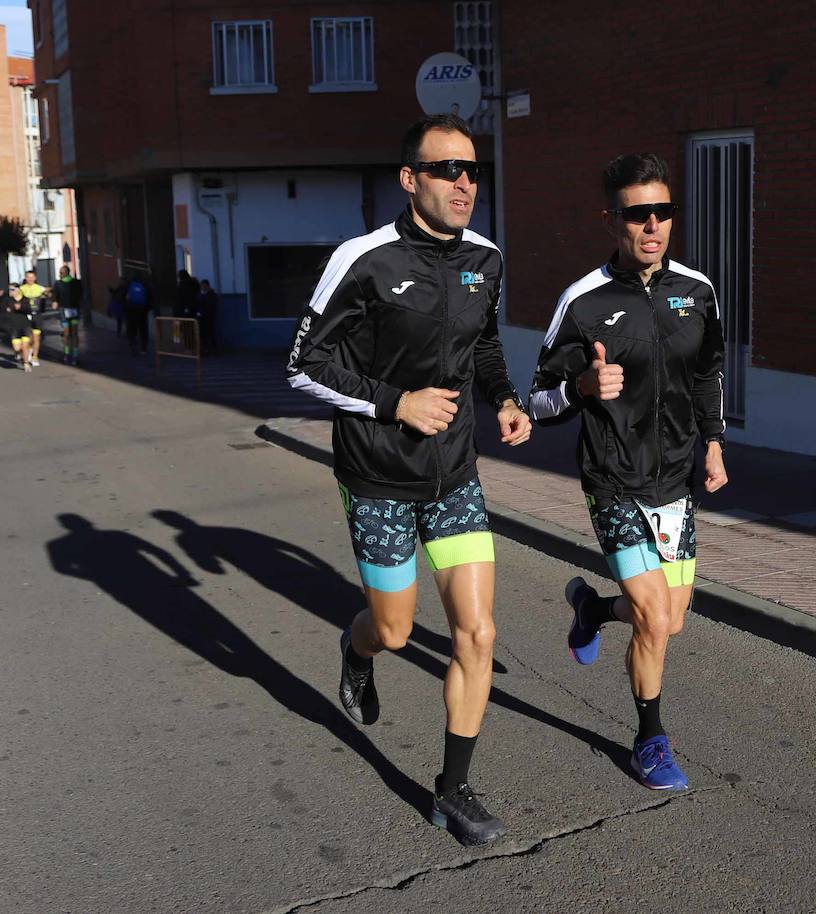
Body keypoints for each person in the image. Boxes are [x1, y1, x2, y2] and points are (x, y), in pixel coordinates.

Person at [286, 113, 531, 846]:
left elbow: (483, 346)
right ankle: (356, 652)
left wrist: (507, 398)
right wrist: (397, 403)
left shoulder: (485, 258)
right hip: (377, 473)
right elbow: (302, 366)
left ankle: (452, 790)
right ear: (409, 179)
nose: (464, 183)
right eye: (446, 170)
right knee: (393, 630)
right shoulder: (361, 259)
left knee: (477, 632)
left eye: (472, 171)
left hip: (454, 473)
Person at [529, 153, 728, 792]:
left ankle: (589, 608)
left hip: (676, 483)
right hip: (613, 477)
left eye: (662, 212)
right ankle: (650, 739)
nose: (652, 226)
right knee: (651, 617)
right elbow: (535, 398)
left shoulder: (697, 292)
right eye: (637, 214)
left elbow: (707, 374)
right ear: (611, 219)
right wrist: (582, 387)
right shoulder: (582, 302)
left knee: (672, 618)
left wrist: (715, 443)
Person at [52, 265, 84, 365]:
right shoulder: (58, 283)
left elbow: (81, 294)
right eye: (60, 272)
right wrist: (54, 302)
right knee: (66, 333)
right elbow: (55, 296)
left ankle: (75, 355)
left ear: (67, 272)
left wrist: (80, 303)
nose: (60, 274)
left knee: (74, 333)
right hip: (63, 310)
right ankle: (66, 354)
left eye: (62, 272)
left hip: (74, 309)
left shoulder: (76, 282)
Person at [19, 269, 49, 366]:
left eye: (32, 277)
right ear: (26, 278)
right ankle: (28, 351)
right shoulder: (21, 289)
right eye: (28, 277)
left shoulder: (40, 288)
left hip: (37, 315)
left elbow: (49, 294)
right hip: (25, 315)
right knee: (28, 337)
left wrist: (49, 294)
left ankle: (35, 357)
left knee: (36, 338)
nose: (30, 279)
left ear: (35, 278)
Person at [5, 283, 34, 372]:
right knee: (17, 348)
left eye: (12, 289)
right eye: (9, 290)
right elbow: (1, 306)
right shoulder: (9, 300)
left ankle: (26, 363)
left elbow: (29, 310)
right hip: (14, 327)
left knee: (25, 346)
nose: (11, 292)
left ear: (18, 290)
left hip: (25, 326)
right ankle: (19, 353)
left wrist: (21, 308)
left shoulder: (25, 300)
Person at [122, 273, 152, 355]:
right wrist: (147, 309)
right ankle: (144, 348)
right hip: (142, 310)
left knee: (131, 328)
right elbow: (150, 297)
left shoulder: (128, 285)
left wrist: (126, 308)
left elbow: (123, 297)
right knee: (143, 329)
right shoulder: (145, 285)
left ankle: (132, 344)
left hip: (131, 310)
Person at [195, 279, 220, 354]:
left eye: (204, 285)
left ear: (207, 286)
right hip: (201, 317)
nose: (203, 287)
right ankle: (203, 350)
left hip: (208, 317)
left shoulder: (211, 295)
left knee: (210, 334)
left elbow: (212, 305)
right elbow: (197, 304)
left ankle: (213, 349)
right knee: (202, 334)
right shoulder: (199, 295)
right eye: (202, 286)